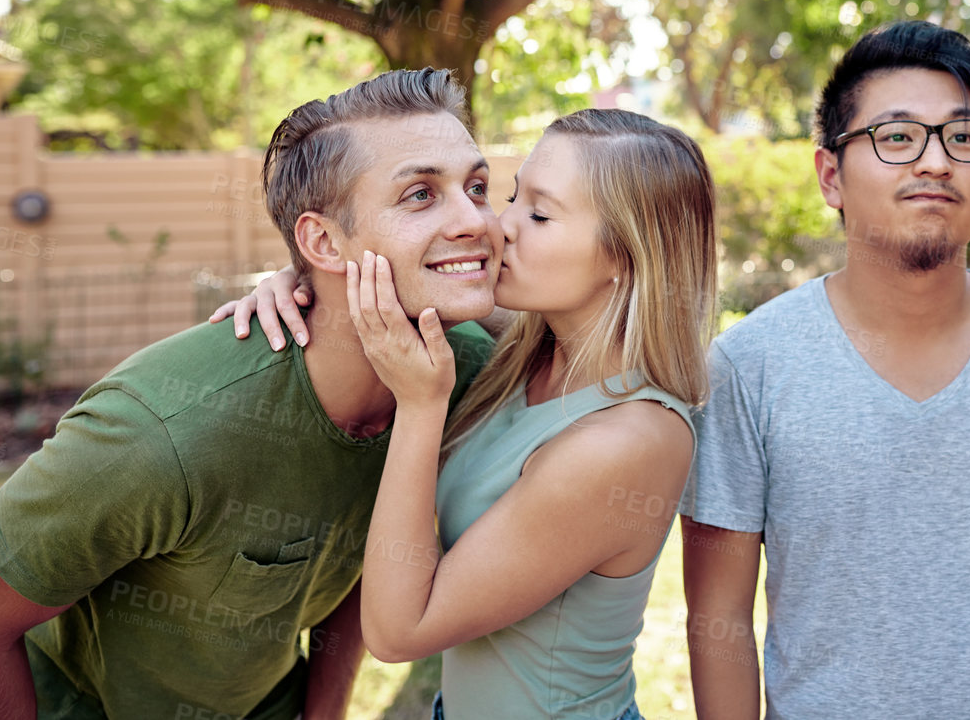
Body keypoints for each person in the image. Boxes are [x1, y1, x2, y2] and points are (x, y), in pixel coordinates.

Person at [0, 68, 500, 720]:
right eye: (421, 194)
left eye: (477, 186)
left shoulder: (462, 373)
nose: (476, 221)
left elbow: (370, 556)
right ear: (323, 241)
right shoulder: (161, 430)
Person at [680, 20, 970, 720]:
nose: (935, 161)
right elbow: (717, 616)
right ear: (830, 175)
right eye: (897, 137)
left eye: (963, 136)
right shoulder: (749, 367)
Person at [220, 108, 714, 720]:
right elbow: (396, 279)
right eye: (509, 196)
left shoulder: (626, 441)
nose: (497, 226)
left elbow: (399, 633)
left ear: (625, 253)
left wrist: (421, 406)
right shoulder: (530, 348)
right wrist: (299, 278)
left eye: (538, 213)